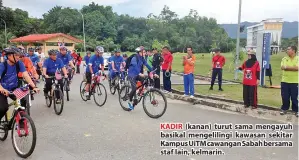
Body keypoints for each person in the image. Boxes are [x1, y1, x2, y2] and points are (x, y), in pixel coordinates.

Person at [0, 47, 40, 123]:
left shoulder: (19, 64)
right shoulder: (2, 66)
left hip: (14, 88)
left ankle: (21, 123)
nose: (18, 57)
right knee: (3, 108)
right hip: (2, 90)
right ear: (9, 56)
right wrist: (2, 89)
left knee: (23, 102)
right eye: (16, 55)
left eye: (19, 55)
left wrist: (34, 87)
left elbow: (26, 75)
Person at [280, 46, 298, 117]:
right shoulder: (284, 58)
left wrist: (286, 67)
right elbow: (282, 67)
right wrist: (292, 68)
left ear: (293, 51)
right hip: (285, 81)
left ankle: (296, 110)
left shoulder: (297, 58)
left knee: (294, 97)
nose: (287, 50)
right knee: (285, 97)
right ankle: (284, 109)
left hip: (295, 81)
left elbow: (297, 68)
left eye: (288, 49)